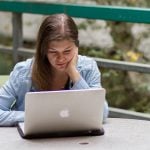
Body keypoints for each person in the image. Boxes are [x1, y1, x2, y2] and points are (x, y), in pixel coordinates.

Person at [0, 13, 109, 126]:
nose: (61, 59)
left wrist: (75, 75)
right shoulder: (23, 72)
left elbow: (102, 114)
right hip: (33, 141)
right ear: (43, 50)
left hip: (75, 140)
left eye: (67, 51)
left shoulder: (88, 68)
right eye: (53, 52)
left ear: (77, 47)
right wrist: (33, 117)